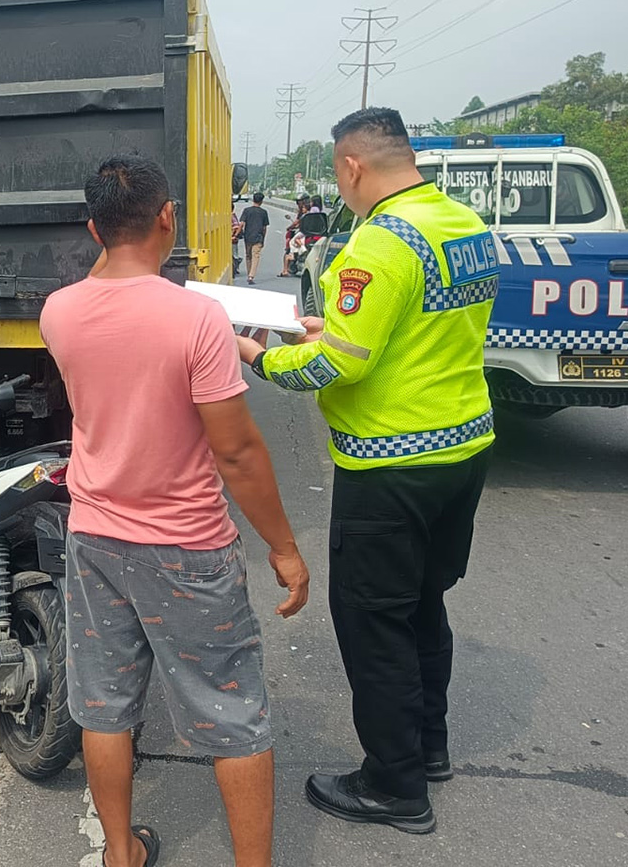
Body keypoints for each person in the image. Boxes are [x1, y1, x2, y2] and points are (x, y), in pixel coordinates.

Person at [41, 155, 310, 867]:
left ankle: (119, 854)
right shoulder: (198, 318)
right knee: (232, 714)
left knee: (103, 705)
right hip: (187, 547)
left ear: (94, 226)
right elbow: (240, 452)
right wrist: (283, 546)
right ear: (168, 217)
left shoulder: (58, 310)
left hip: (95, 534)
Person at [236, 107, 497, 836]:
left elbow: (331, 365)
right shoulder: (463, 225)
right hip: (462, 449)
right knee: (422, 606)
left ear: (351, 167)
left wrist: (259, 356)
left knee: (374, 622)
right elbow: (417, 324)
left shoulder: (375, 246)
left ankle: (393, 784)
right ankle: (428, 747)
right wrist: (335, 327)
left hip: (391, 466)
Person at [238, 192, 270, 284]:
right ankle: (251, 276)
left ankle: (249, 274)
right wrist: (263, 239)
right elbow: (264, 228)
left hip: (248, 236)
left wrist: (236, 234)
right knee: (256, 256)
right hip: (258, 237)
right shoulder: (263, 212)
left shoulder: (247, 210)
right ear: (261, 201)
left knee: (248, 256)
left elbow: (242, 224)